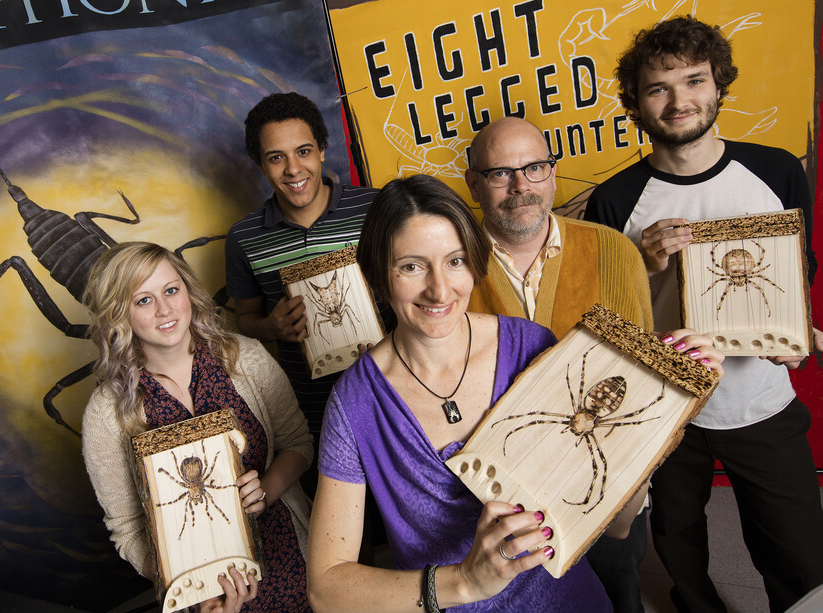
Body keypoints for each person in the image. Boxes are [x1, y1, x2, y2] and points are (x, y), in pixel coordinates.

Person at [306, 175, 723, 612]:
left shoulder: (531, 348)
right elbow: (327, 589)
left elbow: (617, 526)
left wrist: (663, 417)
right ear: (377, 272)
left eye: (455, 261)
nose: (440, 289)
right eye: (411, 266)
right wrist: (464, 583)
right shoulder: (355, 403)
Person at [584, 15, 823, 612]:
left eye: (694, 80)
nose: (679, 100)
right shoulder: (615, 198)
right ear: (636, 102)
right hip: (667, 407)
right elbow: (600, 314)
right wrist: (641, 263)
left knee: (799, 555)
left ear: (719, 86)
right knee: (679, 547)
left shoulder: (775, 169)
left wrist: (794, 331)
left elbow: (800, 267)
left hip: (759, 399)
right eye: (658, 87)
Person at [463, 116, 653, 612]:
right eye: (501, 172)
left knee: (618, 596)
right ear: (473, 184)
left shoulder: (615, 253)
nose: (521, 186)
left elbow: (645, 378)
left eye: (535, 167)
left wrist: (634, 488)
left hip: (606, 491)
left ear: (552, 172)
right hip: (501, 502)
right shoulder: (451, 268)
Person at [81, 242, 314, 612]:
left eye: (171, 290)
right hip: (211, 601)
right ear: (118, 315)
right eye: (143, 300)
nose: (164, 309)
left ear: (188, 290)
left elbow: (299, 444)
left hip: (295, 565)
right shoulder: (105, 413)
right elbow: (126, 529)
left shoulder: (247, 357)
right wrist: (191, 589)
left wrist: (266, 489)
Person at [225, 92, 381, 438]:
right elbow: (245, 319)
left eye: (304, 151)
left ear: (322, 149)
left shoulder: (375, 208)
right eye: (276, 158)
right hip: (312, 408)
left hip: (393, 388)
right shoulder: (243, 238)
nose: (293, 169)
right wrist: (271, 328)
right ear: (260, 164)